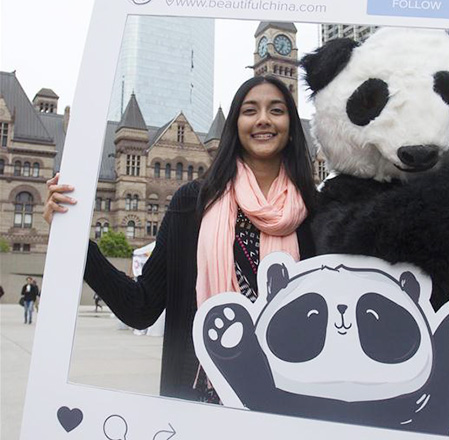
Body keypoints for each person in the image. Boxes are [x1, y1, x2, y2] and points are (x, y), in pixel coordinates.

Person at [44, 76, 317, 401]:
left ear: (292, 126)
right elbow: (141, 308)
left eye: (276, 110)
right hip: (200, 402)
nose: (263, 119)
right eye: (250, 110)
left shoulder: (316, 212)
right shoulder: (192, 203)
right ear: (235, 125)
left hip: (291, 402)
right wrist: (73, 237)